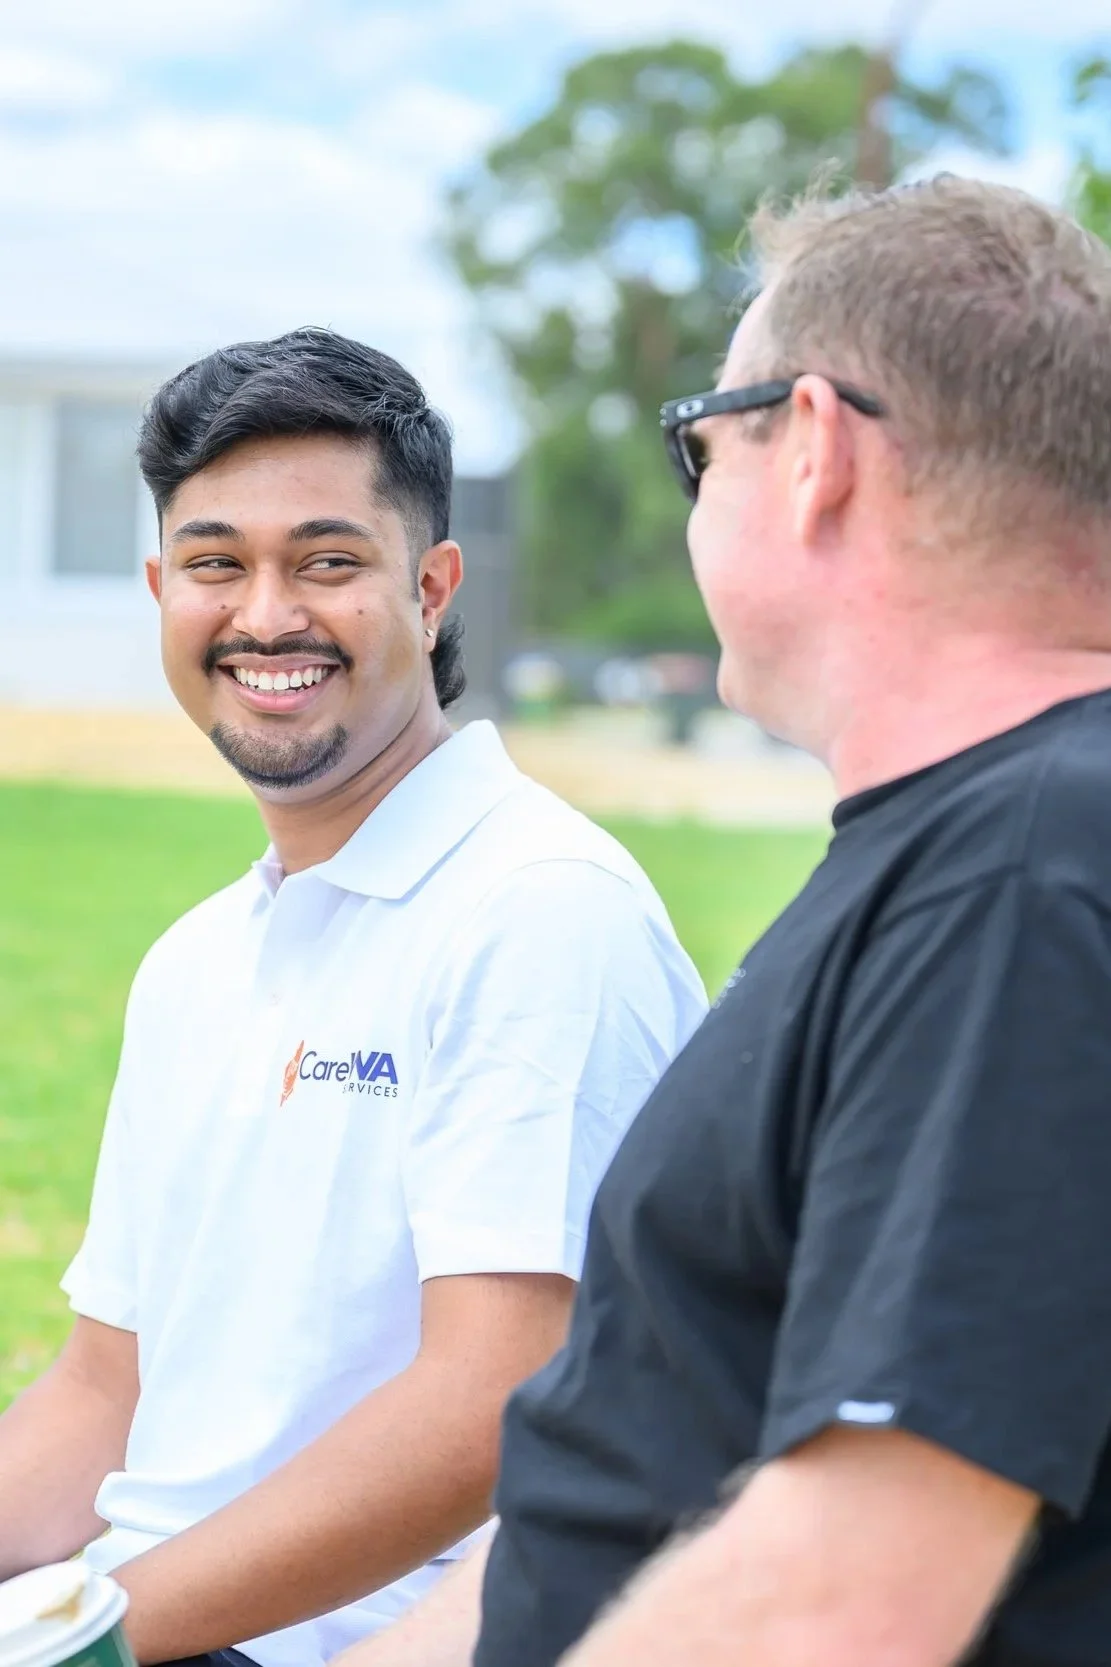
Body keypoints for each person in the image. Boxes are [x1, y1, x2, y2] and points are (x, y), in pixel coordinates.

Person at [340, 176, 1111, 1667]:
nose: (695, 490)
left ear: (812, 444)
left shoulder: (1020, 875)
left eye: (700, 443)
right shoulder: (959, 859)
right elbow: (648, 1460)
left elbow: (853, 1593)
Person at [0, 329, 707, 1666]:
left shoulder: (539, 911)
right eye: (216, 564)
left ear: (432, 587)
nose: (266, 614)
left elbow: (495, 1398)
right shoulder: (199, 958)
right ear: (163, 590)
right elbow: (105, 1389)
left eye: (327, 561)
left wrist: (82, 1638)